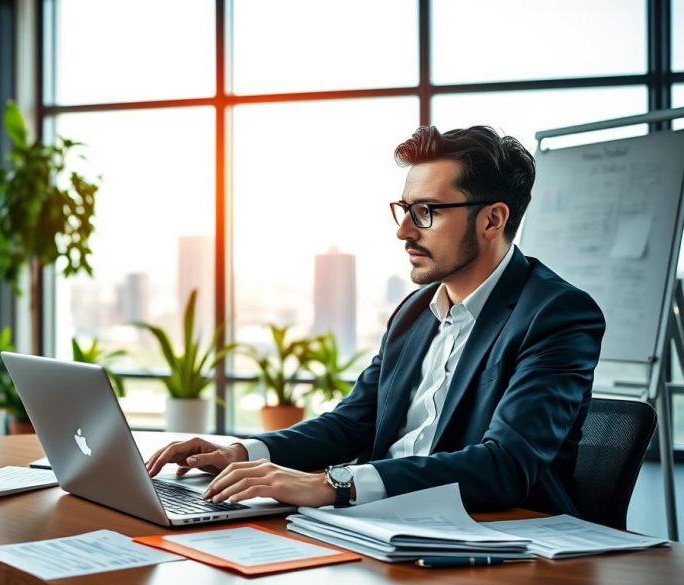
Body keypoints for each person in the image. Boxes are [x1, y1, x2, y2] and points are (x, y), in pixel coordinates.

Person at [146, 125, 605, 514]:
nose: (403, 230)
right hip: (377, 526)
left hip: (496, 541)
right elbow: (352, 423)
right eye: (404, 210)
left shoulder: (555, 315)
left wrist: (334, 484)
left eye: (426, 212)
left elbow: (505, 467)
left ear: (492, 220)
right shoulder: (413, 312)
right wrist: (240, 452)